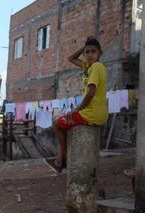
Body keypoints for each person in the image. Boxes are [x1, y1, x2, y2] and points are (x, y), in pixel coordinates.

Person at [46, 37, 108, 173]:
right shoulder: (89, 67)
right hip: (95, 113)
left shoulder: (96, 67)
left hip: (91, 114)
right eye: (87, 52)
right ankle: (60, 160)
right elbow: (71, 58)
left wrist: (76, 109)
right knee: (64, 123)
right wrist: (84, 46)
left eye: (93, 52)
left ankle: (63, 157)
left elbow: (91, 93)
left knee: (57, 124)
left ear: (100, 54)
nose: (90, 55)